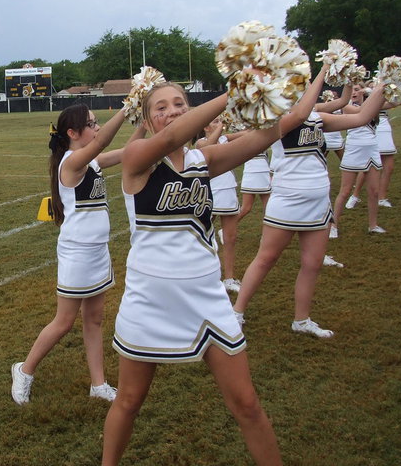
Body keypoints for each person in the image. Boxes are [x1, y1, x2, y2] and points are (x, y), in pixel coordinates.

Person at [102, 81, 283, 466]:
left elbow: (266, 136)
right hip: (149, 300)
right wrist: (235, 92)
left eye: (179, 103)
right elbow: (172, 137)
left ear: (191, 108)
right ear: (148, 120)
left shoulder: (206, 160)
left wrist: (275, 93)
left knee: (247, 403)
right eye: (160, 107)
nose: (171, 111)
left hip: (207, 298)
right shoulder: (137, 157)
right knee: (130, 400)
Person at [233, 69, 386, 338]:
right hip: (288, 198)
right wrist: (326, 69)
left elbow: (362, 117)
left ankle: (301, 320)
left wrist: (383, 85)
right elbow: (300, 114)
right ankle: (237, 312)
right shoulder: (276, 120)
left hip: (318, 199)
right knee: (266, 258)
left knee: (313, 263)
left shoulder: (317, 118)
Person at [11, 104, 142, 405]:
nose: (97, 127)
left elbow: (129, 152)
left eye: (97, 123)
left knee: (94, 320)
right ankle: (24, 369)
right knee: (64, 322)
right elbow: (103, 143)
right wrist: (127, 108)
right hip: (77, 254)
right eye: (92, 123)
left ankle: (98, 384)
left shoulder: (91, 161)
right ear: (72, 133)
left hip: (98, 251)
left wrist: (144, 123)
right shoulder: (70, 163)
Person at [331, 83, 386, 235]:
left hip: (372, 149)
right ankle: (334, 226)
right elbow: (361, 111)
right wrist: (373, 92)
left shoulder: (373, 105)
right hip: (354, 149)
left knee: (374, 191)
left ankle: (373, 225)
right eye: (353, 90)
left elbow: (395, 102)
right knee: (345, 190)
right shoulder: (347, 106)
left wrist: (399, 86)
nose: (355, 92)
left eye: (357, 89)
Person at [195, 118, 242, 293]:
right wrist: (221, 126)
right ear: (206, 126)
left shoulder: (226, 139)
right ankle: (200, 275)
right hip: (209, 191)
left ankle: (229, 278)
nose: (220, 123)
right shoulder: (201, 142)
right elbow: (208, 145)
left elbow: (250, 135)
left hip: (228, 189)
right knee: (200, 236)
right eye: (215, 121)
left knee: (230, 238)